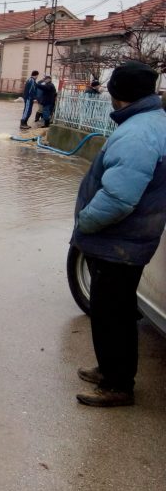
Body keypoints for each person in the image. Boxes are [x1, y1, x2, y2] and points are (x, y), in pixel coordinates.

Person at [72, 60, 166, 407]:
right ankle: (110, 368)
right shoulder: (153, 122)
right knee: (116, 311)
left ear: (116, 94)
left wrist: (85, 221)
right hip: (130, 239)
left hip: (119, 241)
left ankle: (117, 385)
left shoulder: (137, 134)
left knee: (112, 314)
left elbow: (118, 199)